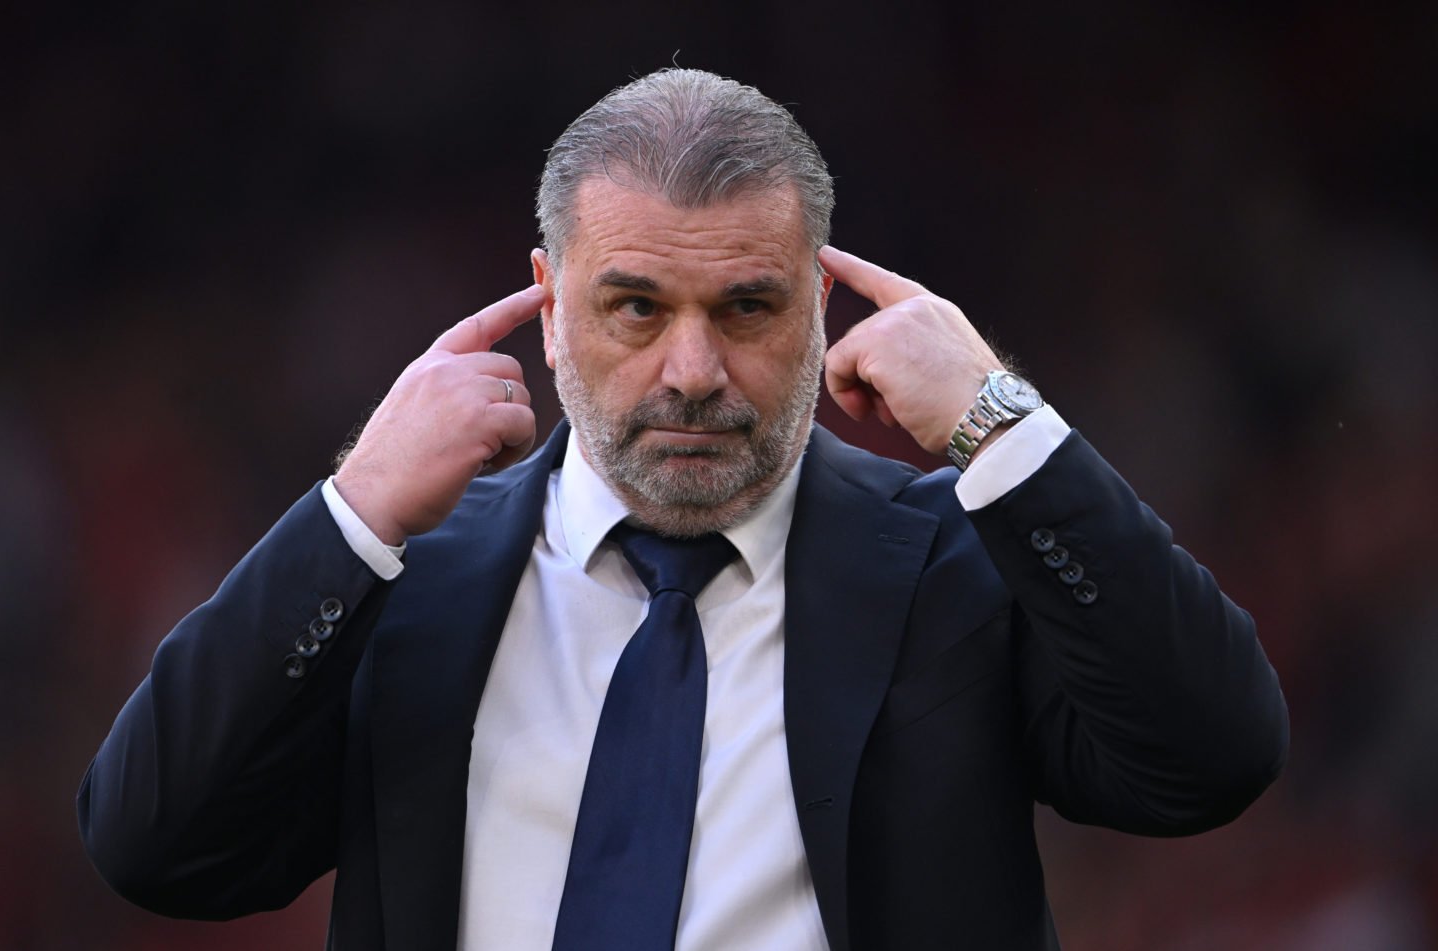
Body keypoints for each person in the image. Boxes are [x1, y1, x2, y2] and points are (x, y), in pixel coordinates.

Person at [77, 69, 1289, 951]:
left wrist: (1003, 423)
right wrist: (353, 511)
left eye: (750, 309)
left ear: (823, 306)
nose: (694, 371)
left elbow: (1212, 758)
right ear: (548, 307)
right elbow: (158, 846)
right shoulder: (411, 579)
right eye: (636, 308)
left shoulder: (950, 568)